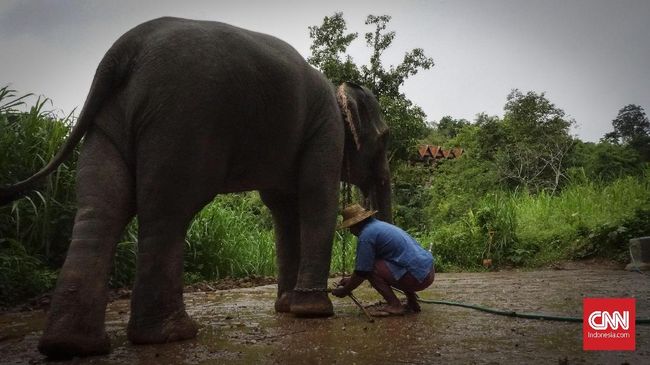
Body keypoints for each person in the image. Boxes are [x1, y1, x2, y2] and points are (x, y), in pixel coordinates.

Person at [331, 204, 435, 316]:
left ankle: (394, 305)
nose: (351, 231)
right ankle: (412, 301)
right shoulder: (381, 226)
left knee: (371, 270)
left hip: (416, 278)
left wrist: (345, 290)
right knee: (397, 262)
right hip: (428, 272)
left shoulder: (366, 235)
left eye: (350, 227)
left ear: (356, 225)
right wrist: (351, 279)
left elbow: (363, 271)